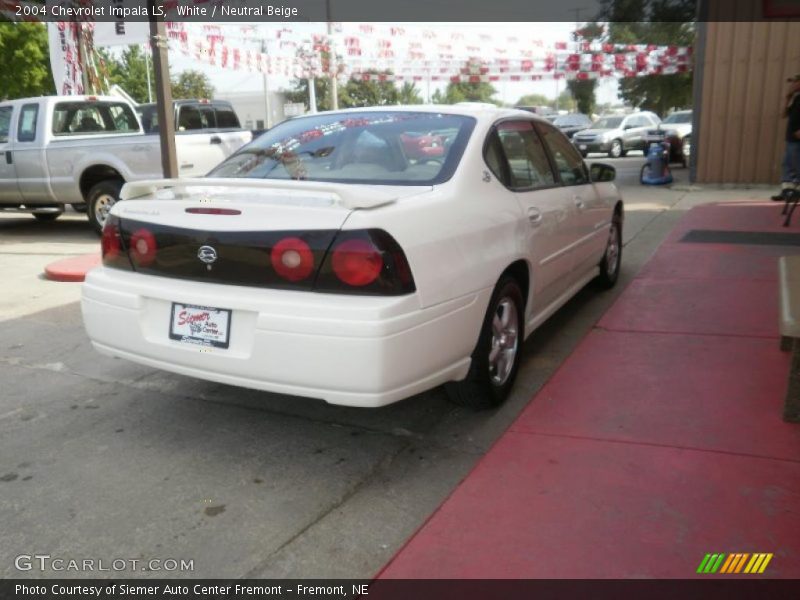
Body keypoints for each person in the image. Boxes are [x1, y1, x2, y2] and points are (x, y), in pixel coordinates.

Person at [772, 75, 800, 201]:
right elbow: (783, 114)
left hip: (797, 139)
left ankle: (796, 192)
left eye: (794, 82)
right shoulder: (797, 99)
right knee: (788, 164)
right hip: (791, 139)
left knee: (796, 164)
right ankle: (787, 191)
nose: (792, 85)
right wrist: (787, 98)